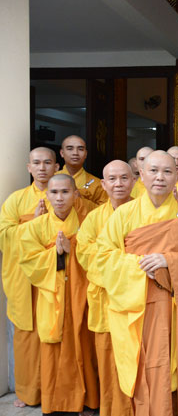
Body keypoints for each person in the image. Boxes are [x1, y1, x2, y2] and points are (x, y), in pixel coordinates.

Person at [95, 151, 178, 415]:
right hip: (138, 306)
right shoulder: (123, 215)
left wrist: (170, 261)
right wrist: (140, 265)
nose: (160, 177)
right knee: (144, 365)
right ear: (141, 175)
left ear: (177, 176)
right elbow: (102, 259)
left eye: (167, 172)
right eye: (153, 171)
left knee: (176, 365)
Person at [19, 174, 99, 415]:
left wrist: (72, 249)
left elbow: (98, 256)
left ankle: (87, 400)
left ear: (76, 194)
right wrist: (57, 253)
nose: (60, 197)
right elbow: (29, 262)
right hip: (51, 297)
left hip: (80, 296)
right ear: (47, 195)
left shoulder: (87, 223)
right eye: (54, 192)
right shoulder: (34, 227)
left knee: (83, 345)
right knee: (52, 350)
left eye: (65, 192)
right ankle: (54, 403)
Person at [0, 147, 59, 408]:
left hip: (53, 275)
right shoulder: (16, 199)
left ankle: (54, 391)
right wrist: (32, 223)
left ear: (57, 166)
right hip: (23, 276)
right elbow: (4, 235)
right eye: (37, 163)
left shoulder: (63, 194)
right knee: (26, 335)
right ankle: (27, 392)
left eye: (47, 162)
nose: (42, 168)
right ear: (29, 167)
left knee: (54, 331)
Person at [76, 160, 135, 416]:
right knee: (109, 359)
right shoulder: (93, 218)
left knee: (137, 357)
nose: (118, 184)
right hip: (105, 299)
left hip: (136, 301)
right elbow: (85, 254)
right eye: (112, 179)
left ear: (134, 181)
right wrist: (125, 258)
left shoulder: (144, 212)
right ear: (103, 184)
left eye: (124, 178)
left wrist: (113, 256)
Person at [57, 135, 107, 207]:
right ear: (62, 153)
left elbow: (104, 210)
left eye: (80, 149)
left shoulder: (97, 184)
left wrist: (81, 199)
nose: (75, 153)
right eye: (70, 149)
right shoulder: (51, 178)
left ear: (86, 154)